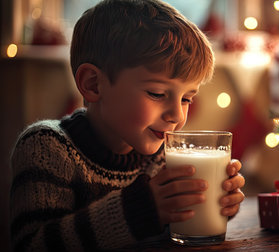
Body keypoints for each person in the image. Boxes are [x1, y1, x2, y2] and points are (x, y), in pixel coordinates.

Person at [9, 0, 245, 251]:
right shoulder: (46, 148)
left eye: (187, 98)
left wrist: (214, 204)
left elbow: (165, 230)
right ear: (93, 84)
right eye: (156, 93)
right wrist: (139, 211)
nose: (177, 115)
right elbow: (31, 244)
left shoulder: (163, 157)